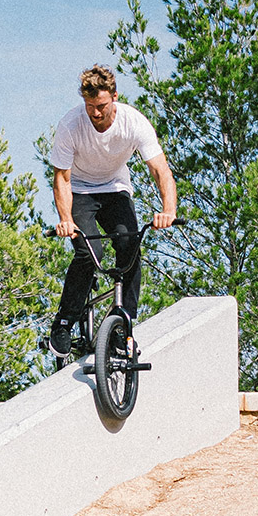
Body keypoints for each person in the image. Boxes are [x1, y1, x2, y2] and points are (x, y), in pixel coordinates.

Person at [49, 64, 177, 357]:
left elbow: (160, 170)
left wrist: (168, 210)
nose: (96, 113)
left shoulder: (134, 122)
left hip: (116, 190)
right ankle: (64, 322)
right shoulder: (70, 125)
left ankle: (123, 324)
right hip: (80, 191)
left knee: (129, 246)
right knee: (88, 252)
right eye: (90, 106)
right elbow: (62, 178)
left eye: (102, 106)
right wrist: (66, 220)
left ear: (115, 98)